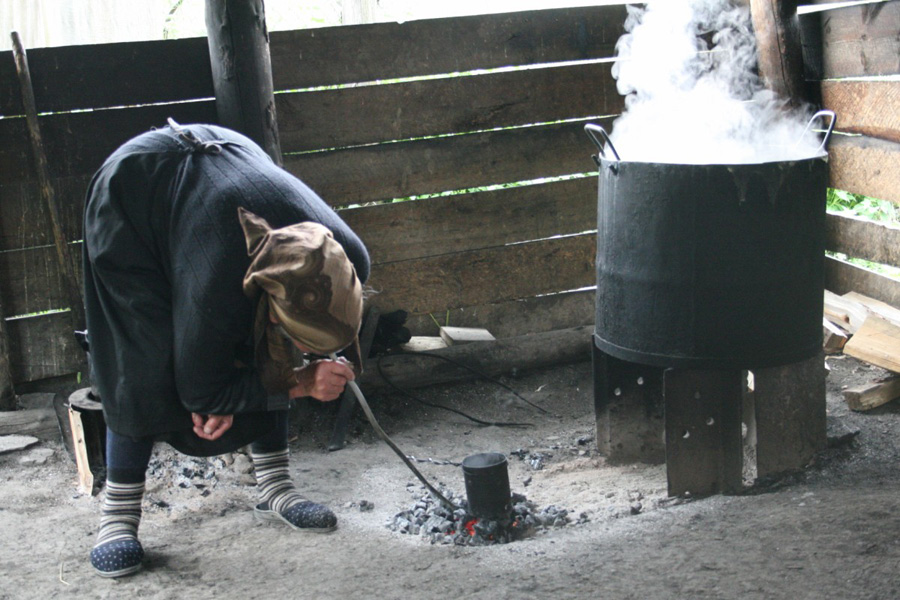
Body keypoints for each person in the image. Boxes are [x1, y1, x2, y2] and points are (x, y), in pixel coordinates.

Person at [82, 120, 370, 578]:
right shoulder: (221, 289)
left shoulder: (349, 255)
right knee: (139, 358)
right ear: (271, 311)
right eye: (289, 333)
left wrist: (272, 377)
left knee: (263, 358)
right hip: (133, 195)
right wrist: (293, 384)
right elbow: (201, 392)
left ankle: (275, 487)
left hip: (224, 157)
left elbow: (323, 320)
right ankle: (118, 515)